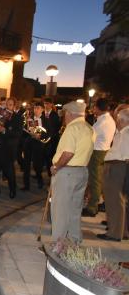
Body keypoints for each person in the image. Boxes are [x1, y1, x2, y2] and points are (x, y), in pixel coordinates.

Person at [50, 101, 95, 242]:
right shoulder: (89, 127)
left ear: (69, 113)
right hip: (82, 171)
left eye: (65, 114)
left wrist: (56, 166)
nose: (64, 117)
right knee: (75, 211)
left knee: (60, 211)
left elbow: (68, 153)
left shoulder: (72, 128)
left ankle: (58, 246)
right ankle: (74, 242)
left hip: (67, 173)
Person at [98, 108, 129, 242]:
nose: (116, 120)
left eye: (117, 118)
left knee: (115, 201)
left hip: (118, 166)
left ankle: (115, 233)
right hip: (117, 165)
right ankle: (121, 231)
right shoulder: (121, 132)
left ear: (122, 120)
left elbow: (123, 154)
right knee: (118, 201)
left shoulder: (126, 133)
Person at [82, 98, 115, 217]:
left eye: (95, 106)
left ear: (99, 108)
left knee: (95, 181)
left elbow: (90, 136)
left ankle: (92, 208)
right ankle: (92, 203)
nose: (93, 108)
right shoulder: (106, 119)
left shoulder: (103, 121)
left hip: (98, 152)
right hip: (101, 151)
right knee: (95, 180)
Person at [0, 98, 23, 201]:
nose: (8, 106)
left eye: (10, 104)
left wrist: (5, 130)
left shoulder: (17, 118)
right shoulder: (0, 115)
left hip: (8, 149)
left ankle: (12, 190)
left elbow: (18, 133)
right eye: (7, 104)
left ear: (14, 106)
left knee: (9, 172)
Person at [21, 102, 50, 191]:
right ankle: (26, 185)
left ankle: (40, 180)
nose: (36, 110)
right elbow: (25, 131)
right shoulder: (30, 119)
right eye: (35, 108)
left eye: (38, 108)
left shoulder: (46, 120)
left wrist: (40, 136)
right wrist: (27, 131)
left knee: (37, 165)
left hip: (38, 144)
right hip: (29, 143)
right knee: (26, 164)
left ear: (42, 109)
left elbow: (49, 133)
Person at [43, 98, 61, 175]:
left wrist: (50, 134)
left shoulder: (55, 115)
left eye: (47, 103)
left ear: (51, 104)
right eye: (44, 103)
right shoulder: (42, 113)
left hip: (52, 139)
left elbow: (57, 127)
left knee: (49, 157)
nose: (46, 105)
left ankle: (50, 174)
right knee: (43, 155)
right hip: (43, 138)